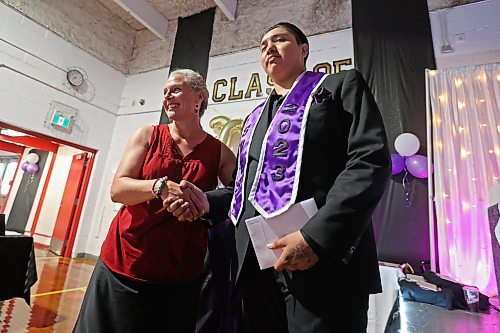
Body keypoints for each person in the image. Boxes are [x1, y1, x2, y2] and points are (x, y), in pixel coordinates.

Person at [167, 22, 391, 333]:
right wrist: (207, 201)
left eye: (280, 39)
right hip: (257, 263)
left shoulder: (340, 88)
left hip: (322, 261)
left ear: (303, 50)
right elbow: (245, 188)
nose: (269, 47)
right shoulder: (255, 118)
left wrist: (316, 238)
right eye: (263, 45)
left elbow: (369, 161)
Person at [73, 69, 235, 333]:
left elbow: (235, 196)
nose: (167, 96)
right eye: (164, 92)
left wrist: (202, 202)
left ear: (199, 97)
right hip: (126, 262)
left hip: (182, 271)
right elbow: (118, 189)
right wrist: (158, 186)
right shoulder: (147, 135)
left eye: (175, 89)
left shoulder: (220, 152)